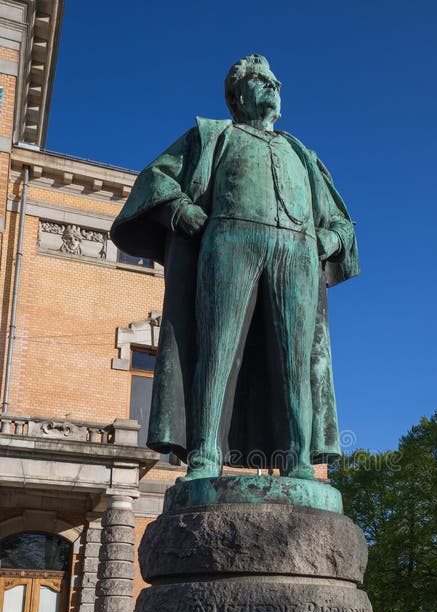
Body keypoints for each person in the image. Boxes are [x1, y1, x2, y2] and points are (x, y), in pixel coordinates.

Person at [111, 54, 359, 480]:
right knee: (217, 348)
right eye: (262, 81)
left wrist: (332, 239)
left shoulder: (302, 152)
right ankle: (205, 453)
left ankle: (297, 459)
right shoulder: (213, 136)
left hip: (297, 252)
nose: (273, 87)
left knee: (297, 360)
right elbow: (154, 179)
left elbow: (341, 222)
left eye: (276, 82)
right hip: (229, 241)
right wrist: (180, 210)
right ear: (237, 95)